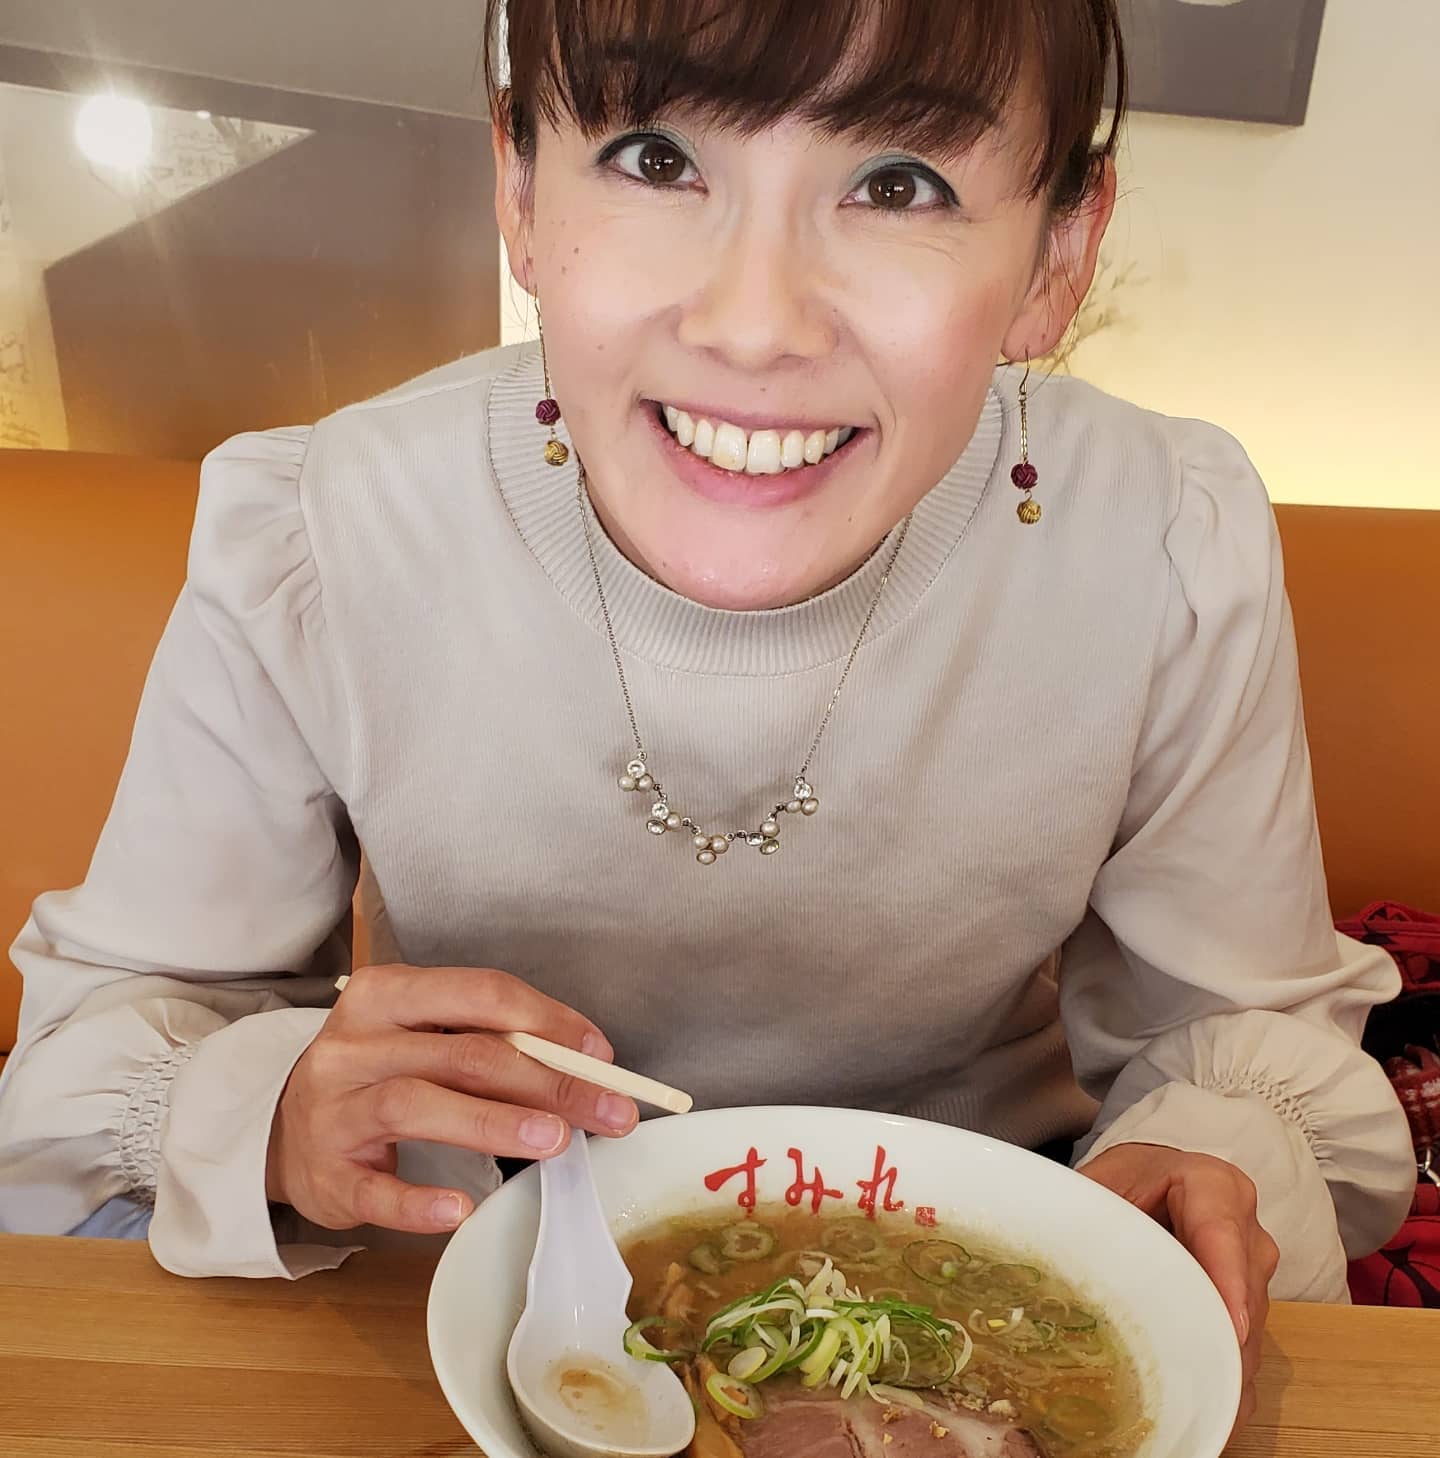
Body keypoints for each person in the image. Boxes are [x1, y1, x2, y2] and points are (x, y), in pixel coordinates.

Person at [0, 0, 1410, 1435]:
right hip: (458, 1298)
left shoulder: (1163, 545)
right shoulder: (320, 532)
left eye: (899, 184)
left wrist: (1197, 1158)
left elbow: (1241, 1032)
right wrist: (283, 1112)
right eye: (657, 158)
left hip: (982, 1309)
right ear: (520, 191)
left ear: (1058, 253)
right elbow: (90, 1057)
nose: (754, 325)